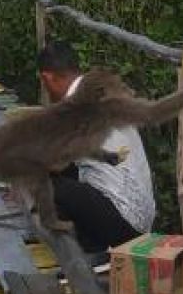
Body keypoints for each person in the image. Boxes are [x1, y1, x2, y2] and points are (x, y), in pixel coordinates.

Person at [37, 41, 155, 253]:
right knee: (71, 172)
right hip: (143, 218)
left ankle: (84, 250)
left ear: (47, 78)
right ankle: (91, 243)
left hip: (124, 222)